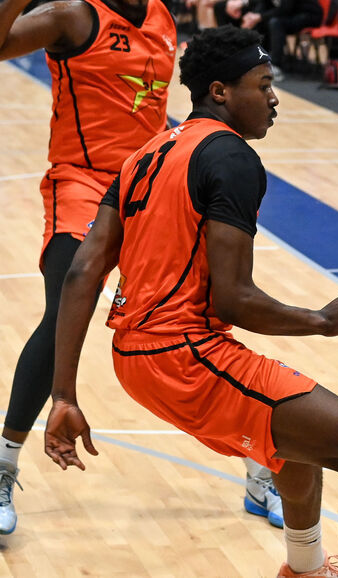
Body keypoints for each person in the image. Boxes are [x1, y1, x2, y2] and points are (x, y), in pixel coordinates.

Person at [42, 26, 338, 578]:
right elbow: (235, 300)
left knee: (294, 437)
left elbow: (82, 274)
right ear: (220, 91)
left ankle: (306, 567)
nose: (274, 99)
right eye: (263, 85)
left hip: (135, 357)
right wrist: (321, 321)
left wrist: (63, 395)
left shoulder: (144, 153)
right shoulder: (231, 157)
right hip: (185, 356)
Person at [0, 0, 177, 535]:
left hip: (148, 186)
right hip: (82, 184)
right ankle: (3, 466)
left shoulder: (162, 17)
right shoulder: (72, 16)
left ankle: (260, 467)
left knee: (199, 317)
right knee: (62, 316)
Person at [213, 0, 323, 79]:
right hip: (289, 15)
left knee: (275, 23)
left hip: (308, 15)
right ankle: (255, 59)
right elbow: (263, 4)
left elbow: (286, 9)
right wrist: (253, 17)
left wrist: (259, 17)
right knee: (265, 21)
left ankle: (276, 66)